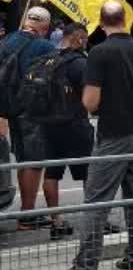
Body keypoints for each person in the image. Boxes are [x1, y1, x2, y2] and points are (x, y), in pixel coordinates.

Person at [50, 1, 133, 270]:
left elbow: (90, 101)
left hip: (113, 135)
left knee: (96, 202)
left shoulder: (99, 53)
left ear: (101, 21)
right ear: (125, 19)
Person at [30, 22, 91, 240]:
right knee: (88, 172)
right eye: (84, 38)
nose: (85, 42)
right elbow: (88, 95)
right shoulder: (80, 63)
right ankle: (94, 220)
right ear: (77, 37)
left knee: (52, 172)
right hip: (75, 123)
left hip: (49, 124)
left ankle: (56, 220)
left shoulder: (49, 59)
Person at [0, 6, 57, 229]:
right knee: (35, 163)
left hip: (11, 109)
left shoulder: (8, 41)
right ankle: (27, 215)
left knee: (24, 160)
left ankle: (27, 212)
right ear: (45, 26)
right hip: (34, 112)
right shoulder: (44, 46)